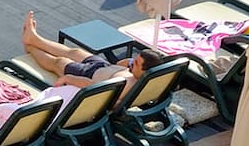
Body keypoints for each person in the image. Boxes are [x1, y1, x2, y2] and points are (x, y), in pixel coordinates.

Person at [20, 12, 160, 89]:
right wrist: (128, 63)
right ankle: (34, 39)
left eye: (135, 64)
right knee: (74, 52)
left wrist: (69, 78)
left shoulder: (124, 83)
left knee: (59, 62)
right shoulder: (138, 74)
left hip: (87, 75)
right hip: (104, 66)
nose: (132, 63)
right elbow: (119, 64)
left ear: (144, 71)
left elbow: (94, 88)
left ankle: (31, 47)